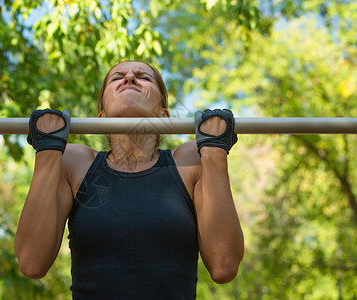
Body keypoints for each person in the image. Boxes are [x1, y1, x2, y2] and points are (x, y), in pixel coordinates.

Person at [14, 60, 244, 299]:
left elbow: (224, 266)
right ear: (101, 117)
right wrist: (48, 149)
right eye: (117, 77)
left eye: (143, 77)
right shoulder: (75, 162)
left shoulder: (190, 160)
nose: (130, 77)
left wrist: (215, 151)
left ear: (163, 114)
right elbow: (31, 263)